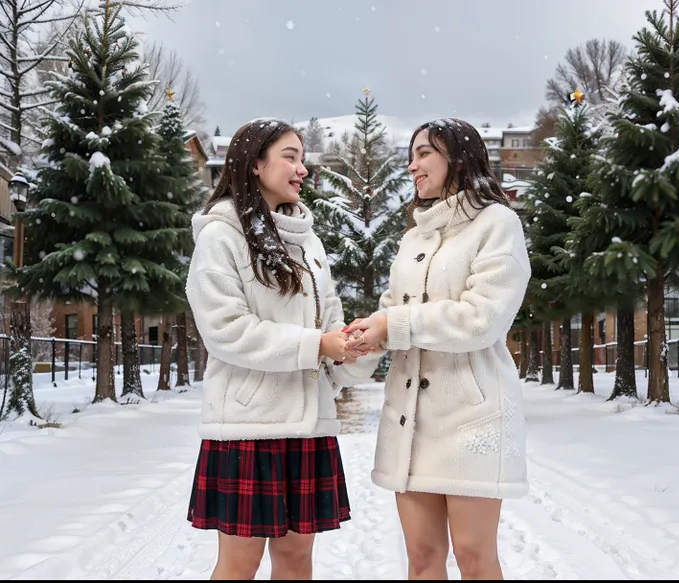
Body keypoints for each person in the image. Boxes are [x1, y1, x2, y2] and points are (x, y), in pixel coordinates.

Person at [185, 118, 379, 580]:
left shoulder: (308, 241)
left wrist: (352, 347)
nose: (302, 169)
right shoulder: (220, 237)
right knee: (239, 564)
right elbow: (226, 330)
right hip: (248, 428)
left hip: (307, 424)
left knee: (295, 561)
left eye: (302, 158)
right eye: (289, 157)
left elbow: (327, 314)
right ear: (255, 164)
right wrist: (317, 345)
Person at [344, 118, 532, 580]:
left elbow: (481, 319)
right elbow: (392, 310)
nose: (413, 166)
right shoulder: (414, 238)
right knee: (423, 559)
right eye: (411, 155)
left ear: (458, 156)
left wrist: (393, 325)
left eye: (424, 153)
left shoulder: (498, 224)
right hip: (410, 419)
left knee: (473, 555)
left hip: (472, 414)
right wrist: (354, 345)